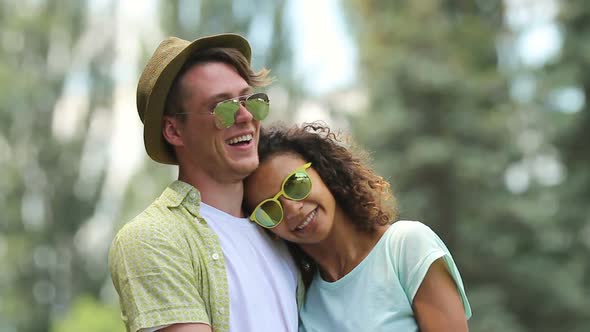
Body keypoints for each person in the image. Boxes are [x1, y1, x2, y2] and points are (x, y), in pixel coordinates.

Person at [108, 33, 301, 332]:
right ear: (173, 131)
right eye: (222, 107)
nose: (246, 115)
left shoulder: (283, 225)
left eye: (250, 100)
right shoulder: (153, 238)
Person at [243, 122, 472, 331]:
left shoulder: (406, 247)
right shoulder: (303, 302)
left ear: (323, 170)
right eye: (269, 209)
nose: (292, 209)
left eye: (295, 184)